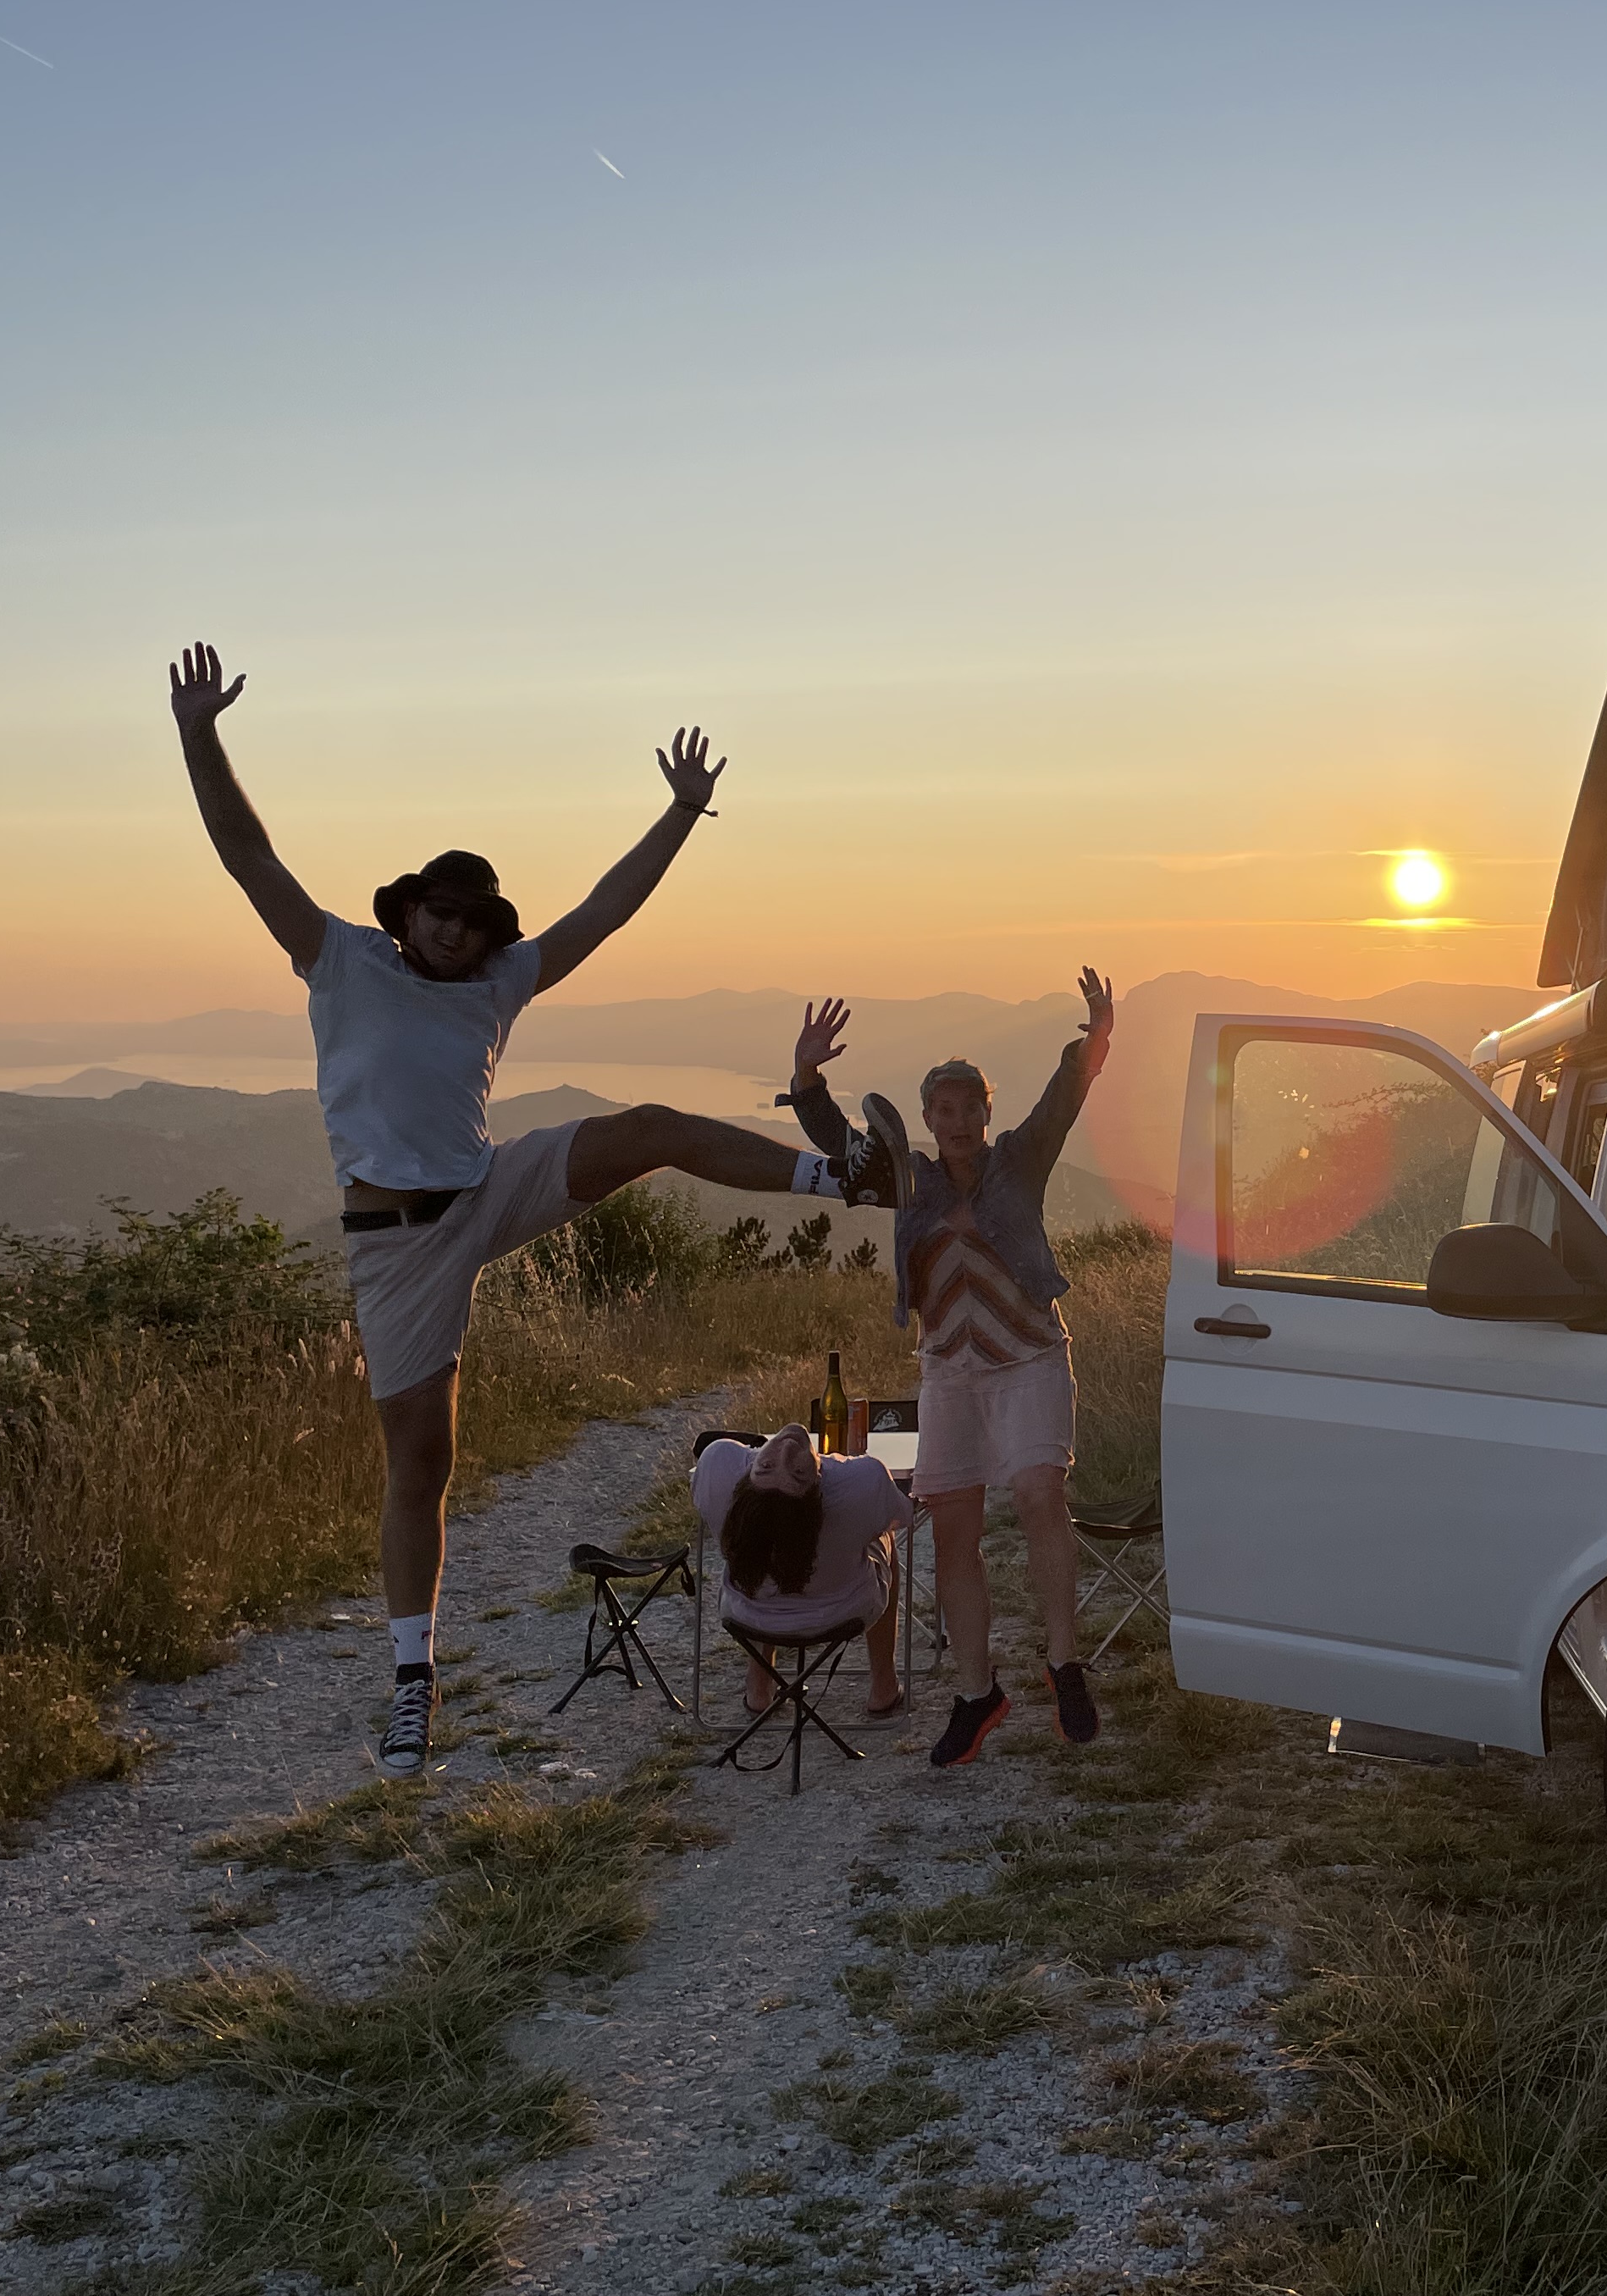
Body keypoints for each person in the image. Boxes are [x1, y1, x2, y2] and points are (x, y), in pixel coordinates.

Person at [167, 642, 901, 1777]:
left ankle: (842, 1178)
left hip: (486, 1185)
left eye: (473, 919)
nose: (455, 931)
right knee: (423, 1463)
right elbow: (244, 853)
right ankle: (413, 1682)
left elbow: (603, 912)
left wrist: (681, 813)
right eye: (440, 912)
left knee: (651, 1127)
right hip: (395, 1245)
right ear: (408, 912)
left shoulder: (500, 980)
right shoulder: (340, 959)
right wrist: (200, 733)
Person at [793, 971, 1116, 1765]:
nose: (960, 1120)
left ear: (986, 1115)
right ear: (929, 1119)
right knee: (953, 1532)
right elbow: (839, 1140)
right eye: (945, 1109)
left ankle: (1064, 1664)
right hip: (948, 1370)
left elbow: (1062, 1102)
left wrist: (1096, 1038)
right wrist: (806, 1075)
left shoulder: (1020, 1161)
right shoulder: (908, 1178)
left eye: (971, 1107)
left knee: (1039, 1494)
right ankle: (978, 1695)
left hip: (1029, 1357)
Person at [693, 1425, 908, 1718]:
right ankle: (884, 1686)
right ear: (815, 1494)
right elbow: (901, 1515)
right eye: (796, 1473)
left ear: (744, 1487)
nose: (785, 1449)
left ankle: (759, 1688)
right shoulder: (863, 1480)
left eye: (767, 1467)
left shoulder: (719, 1463)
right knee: (884, 1537)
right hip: (843, 1612)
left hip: (748, 1613)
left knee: (759, 1550)